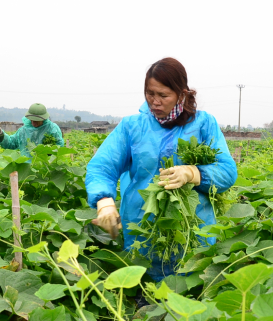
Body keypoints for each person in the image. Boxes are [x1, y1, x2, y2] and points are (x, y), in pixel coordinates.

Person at [85, 57, 237, 281]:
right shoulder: (132, 126)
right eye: (150, 93)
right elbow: (102, 166)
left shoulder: (203, 124)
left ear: (181, 94)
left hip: (192, 228)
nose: (154, 101)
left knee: (188, 293)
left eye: (163, 95)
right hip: (141, 224)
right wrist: (104, 201)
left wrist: (194, 173)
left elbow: (226, 171)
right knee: (143, 296)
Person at [0, 103, 64, 156]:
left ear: (43, 119)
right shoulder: (23, 130)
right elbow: (11, 143)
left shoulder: (52, 128)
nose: (33, 122)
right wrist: (1, 135)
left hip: (45, 167)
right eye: (31, 120)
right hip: (26, 168)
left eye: (36, 121)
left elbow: (58, 147)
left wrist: (47, 152)